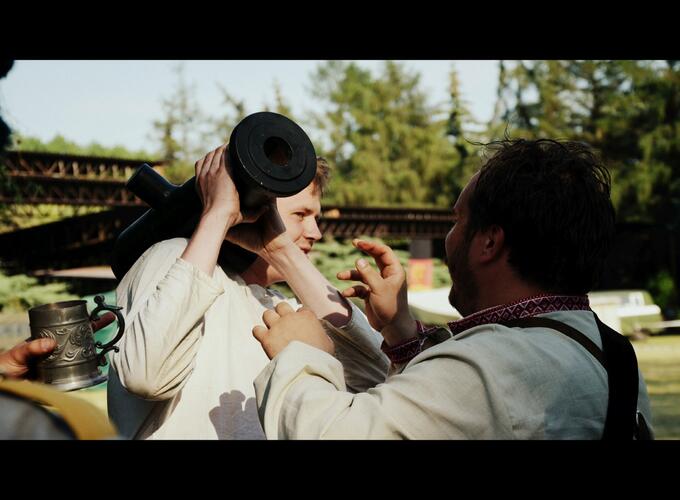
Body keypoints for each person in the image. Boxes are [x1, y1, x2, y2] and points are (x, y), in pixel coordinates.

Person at [251, 138, 654, 439]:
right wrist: (400, 329)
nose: (450, 237)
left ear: (489, 242)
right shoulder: (614, 354)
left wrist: (302, 354)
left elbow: (336, 433)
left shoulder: (494, 366)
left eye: (457, 220)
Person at [106, 145, 388, 439]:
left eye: (315, 218)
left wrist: (282, 251)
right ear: (252, 211)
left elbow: (378, 382)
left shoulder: (285, 308)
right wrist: (217, 215)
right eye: (300, 214)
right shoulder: (172, 258)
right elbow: (145, 376)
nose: (316, 232)